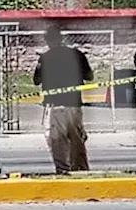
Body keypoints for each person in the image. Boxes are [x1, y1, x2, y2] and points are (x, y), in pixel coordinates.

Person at [33, 25, 94, 174]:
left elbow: (36, 80)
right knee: (76, 137)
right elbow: (89, 76)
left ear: (47, 40)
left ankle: (62, 169)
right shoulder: (77, 54)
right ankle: (80, 168)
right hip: (74, 102)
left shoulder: (46, 57)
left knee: (57, 139)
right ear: (61, 39)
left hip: (55, 104)